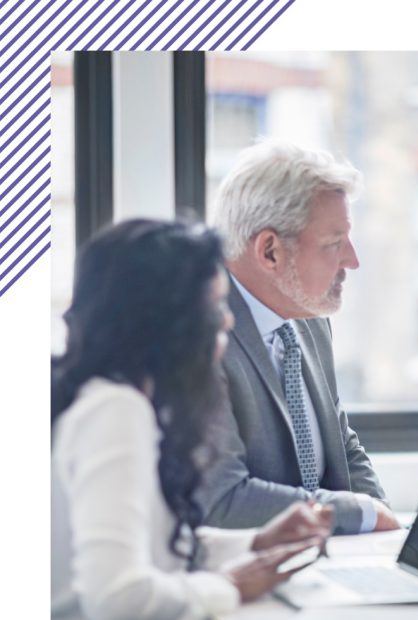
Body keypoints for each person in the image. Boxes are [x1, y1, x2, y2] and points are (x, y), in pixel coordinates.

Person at [51, 219, 333, 620]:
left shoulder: (118, 400)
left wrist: (257, 543)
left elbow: (155, 548)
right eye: (215, 304)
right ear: (169, 319)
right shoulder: (115, 410)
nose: (227, 320)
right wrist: (231, 586)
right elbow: (117, 598)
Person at [200, 139, 397, 535]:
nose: (352, 260)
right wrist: (361, 514)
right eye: (333, 243)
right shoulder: (199, 339)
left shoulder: (308, 316)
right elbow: (221, 500)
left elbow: (342, 445)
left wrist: (386, 530)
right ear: (270, 251)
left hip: (327, 564)